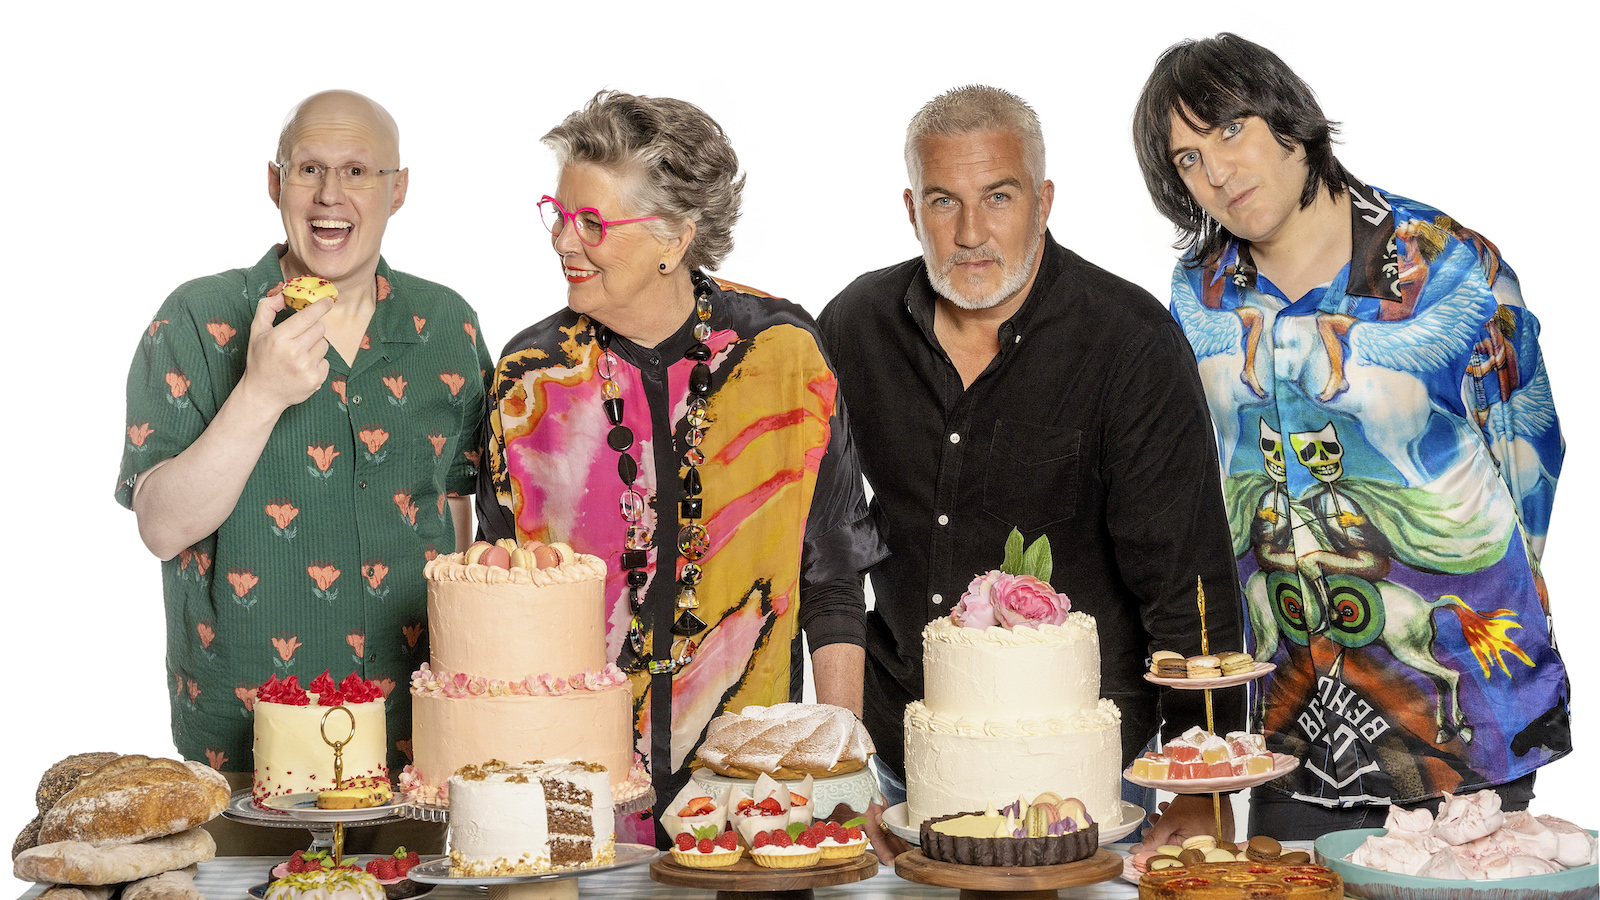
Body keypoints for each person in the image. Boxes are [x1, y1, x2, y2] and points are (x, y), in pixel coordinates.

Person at [1133, 34, 1570, 840]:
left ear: (1288, 119)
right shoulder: (1199, 295)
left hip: (1463, 716)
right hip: (1290, 720)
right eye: (1188, 160)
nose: (1217, 173)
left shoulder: (1449, 265)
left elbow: (1526, 457)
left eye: (1229, 130)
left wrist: (1465, 589)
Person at [818, 85, 1243, 861]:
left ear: (1044, 201)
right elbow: (828, 550)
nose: (970, 233)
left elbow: (1191, 587)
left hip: (1091, 778)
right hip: (897, 762)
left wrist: (1198, 783)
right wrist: (842, 761)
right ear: (911, 207)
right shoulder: (854, 327)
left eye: (999, 197)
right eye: (944, 202)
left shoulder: (1129, 343)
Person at [477, 90, 885, 848]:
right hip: (572, 797)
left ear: (676, 238)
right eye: (558, 213)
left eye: (593, 223)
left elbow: (831, 574)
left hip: (753, 799)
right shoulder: (531, 376)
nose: (565, 242)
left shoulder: (782, 351)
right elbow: (501, 605)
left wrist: (840, 775)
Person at [116, 90, 490, 852]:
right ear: (274, 182)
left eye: (357, 170)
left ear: (399, 188)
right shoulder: (195, 317)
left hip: (415, 751)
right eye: (309, 169)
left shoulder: (446, 325)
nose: (330, 195)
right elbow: (160, 525)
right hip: (242, 753)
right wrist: (259, 393)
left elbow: (457, 516)